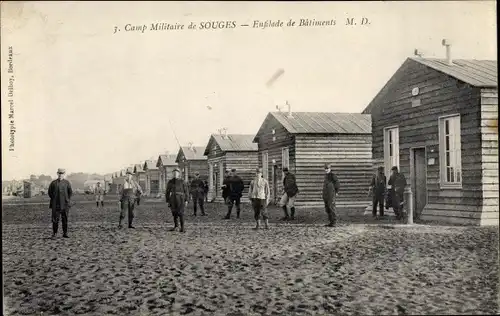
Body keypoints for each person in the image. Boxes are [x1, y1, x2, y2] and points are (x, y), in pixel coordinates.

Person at [48, 168, 73, 238]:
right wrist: (54, 200)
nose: (60, 175)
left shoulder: (67, 183)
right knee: (55, 220)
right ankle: (54, 233)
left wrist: (67, 200)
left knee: (65, 219)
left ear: (64, 174)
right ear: (57, 173)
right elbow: (50, 193)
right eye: (59, 173)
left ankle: (65, 233)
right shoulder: (53, 183)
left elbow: (70, 192)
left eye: (62, 173)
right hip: (56, 205)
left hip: (65, 205)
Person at [165, 167, 189, 232]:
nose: (175, 174)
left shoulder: (183, 181)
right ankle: (176, 226)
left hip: (181, 199)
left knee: (181, 213)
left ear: (179, 174)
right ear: (172, 174)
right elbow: (167, 191)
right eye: (174, 173)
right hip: (173, 199)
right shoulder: (170, 182)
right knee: (174, 213)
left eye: (176, 173)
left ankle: (182, 228)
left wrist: (186, 200)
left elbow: (186, 191)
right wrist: (167, 200)